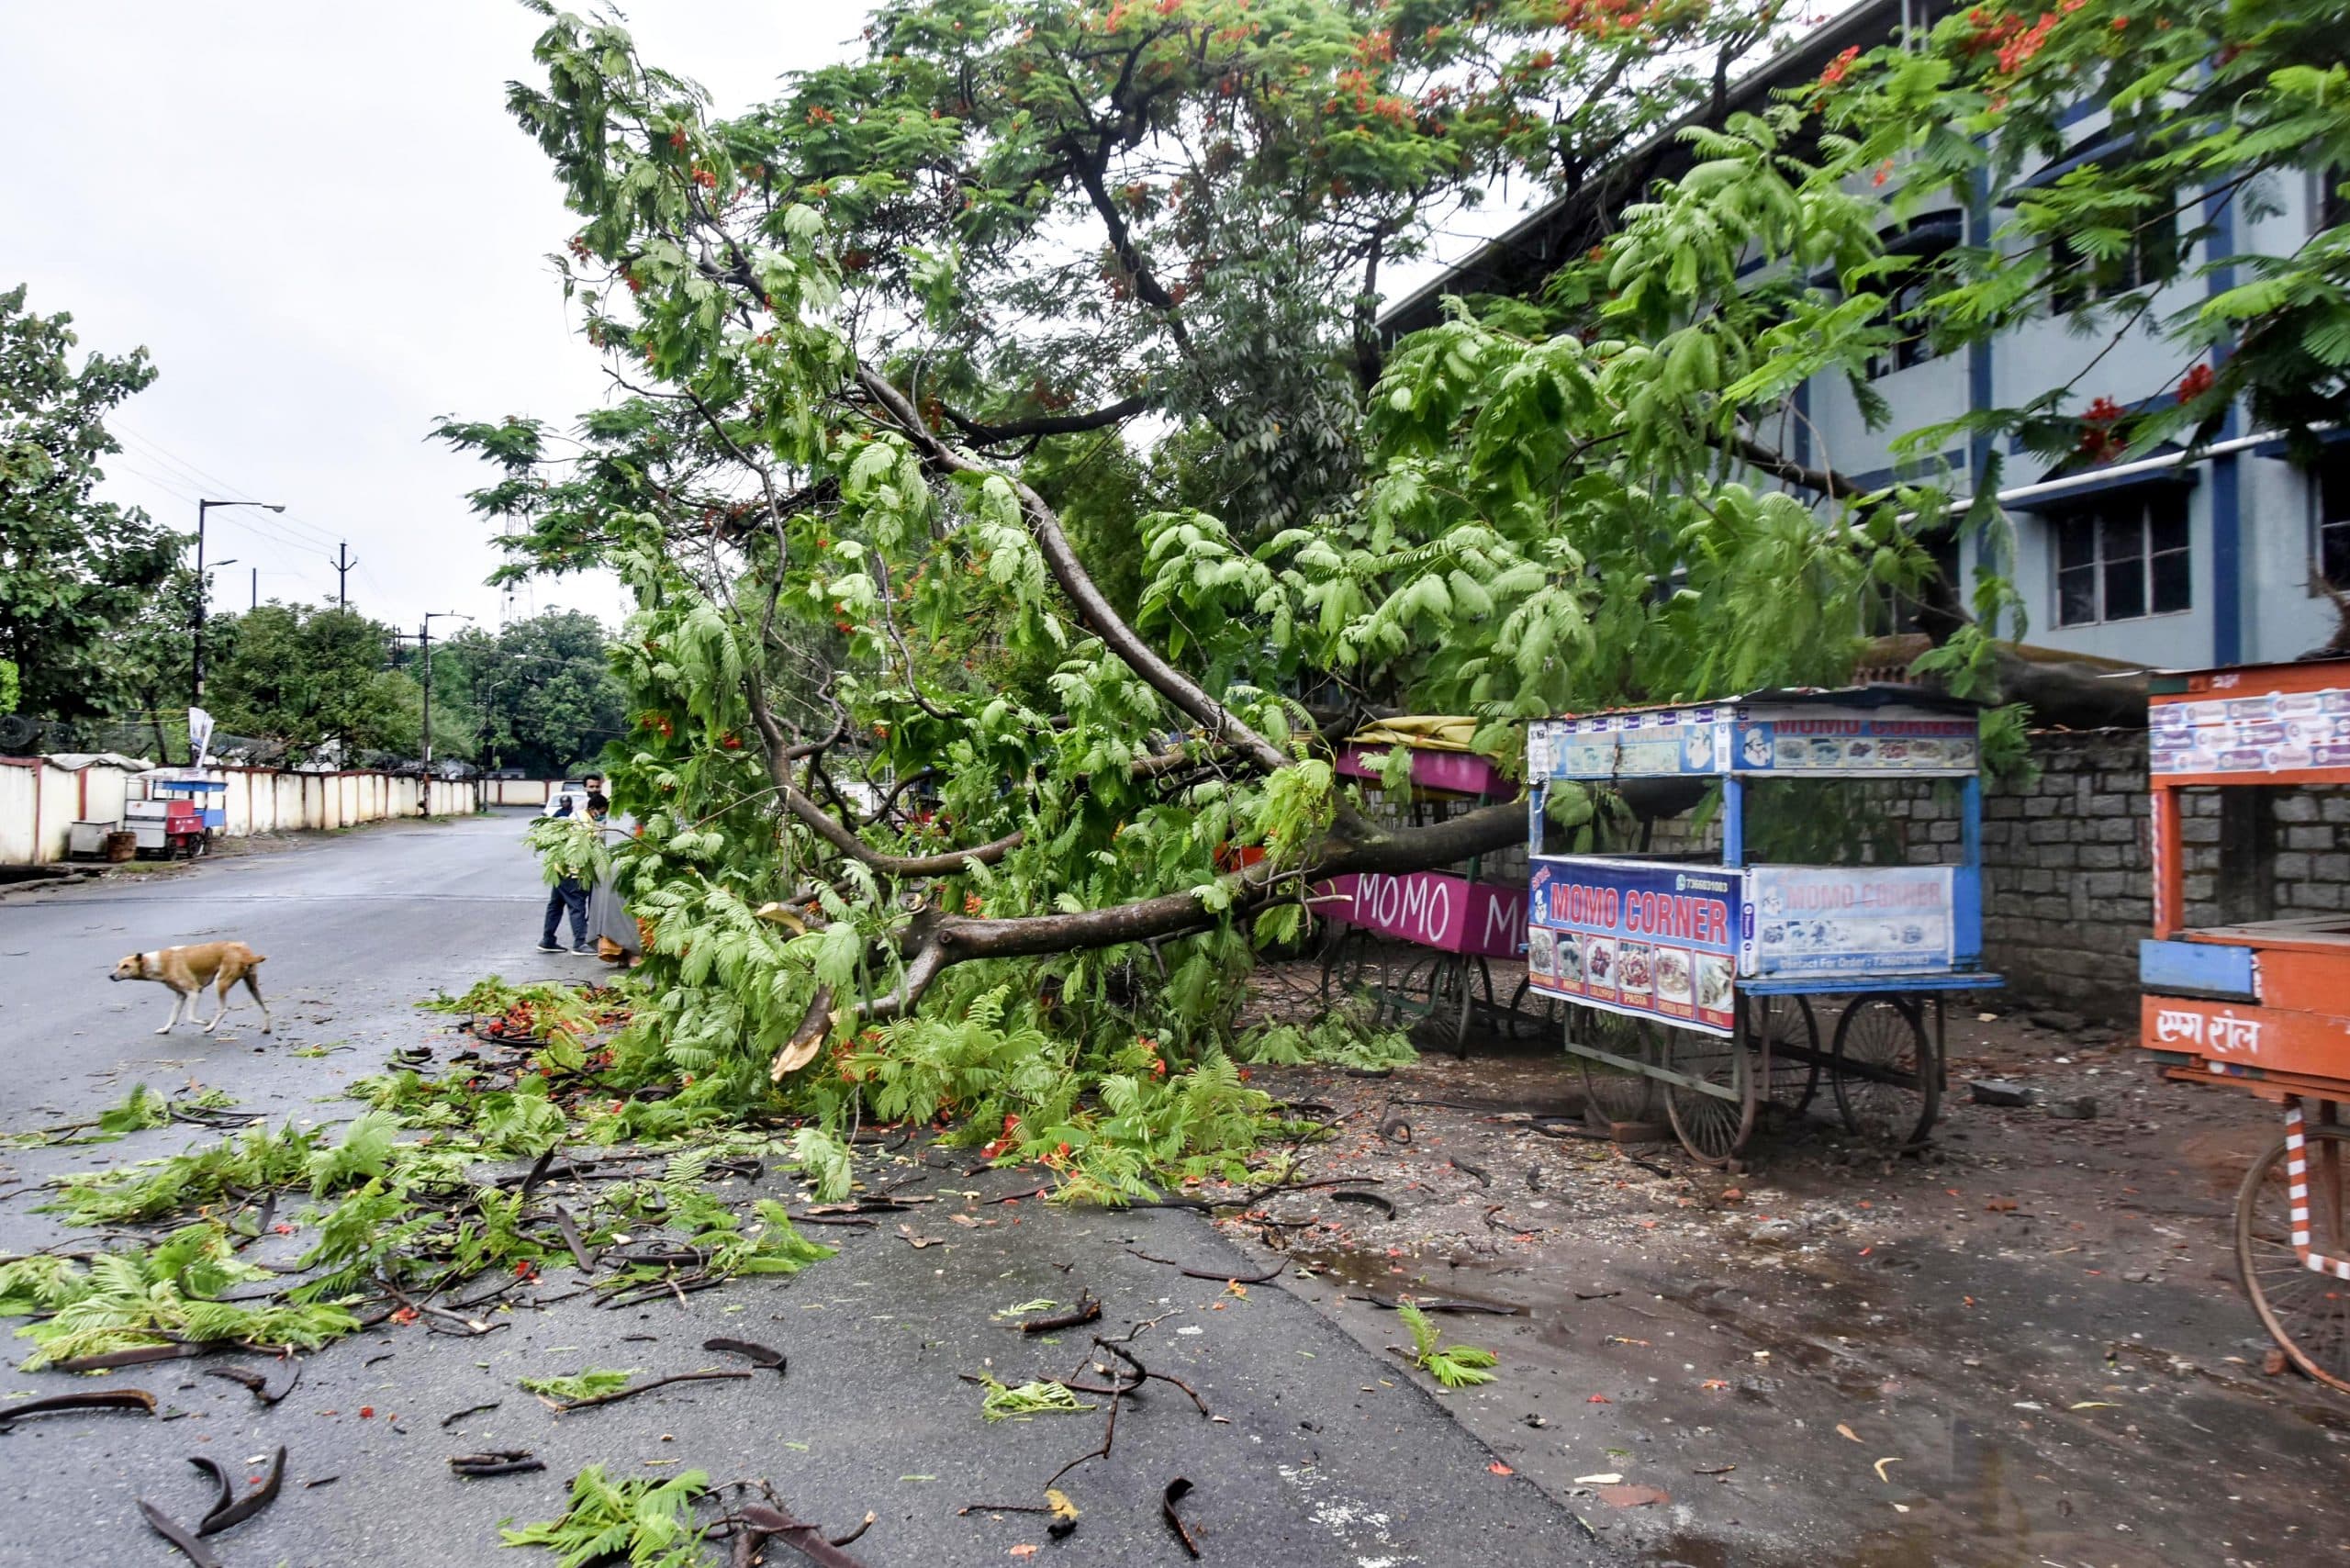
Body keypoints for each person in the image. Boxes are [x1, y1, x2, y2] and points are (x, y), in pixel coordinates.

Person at [581, 792, 643, 966]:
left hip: (607, 866)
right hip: (620, 868)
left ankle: (623, 954)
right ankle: (632, 953)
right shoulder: (636, 814)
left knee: (612, 912)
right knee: (624, 911)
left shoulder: (611, 815)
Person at [536, 793, 591, 954]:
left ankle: (547, 940)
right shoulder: (584, 823)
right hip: (571, 872)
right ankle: (580, 943)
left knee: (555, 905)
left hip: (558, 870)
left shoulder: (569, 822)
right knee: (577, 904)